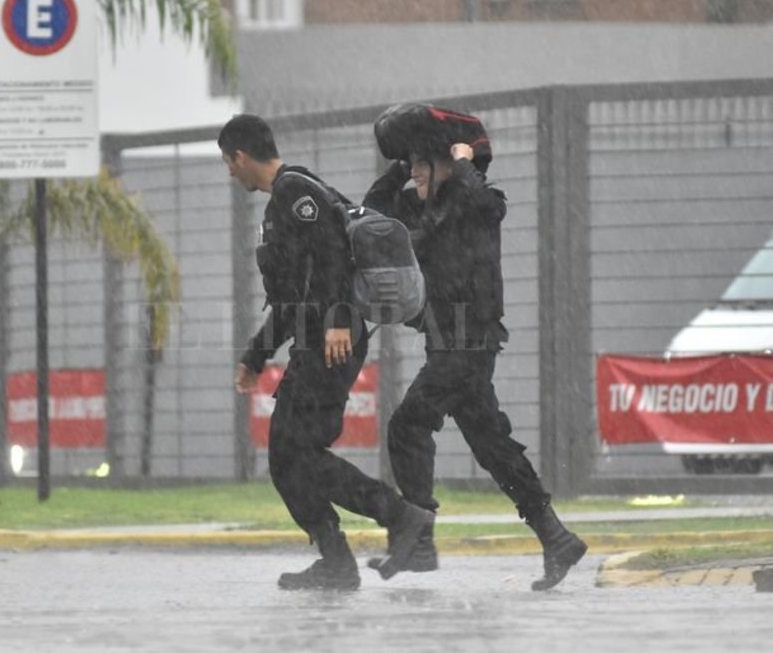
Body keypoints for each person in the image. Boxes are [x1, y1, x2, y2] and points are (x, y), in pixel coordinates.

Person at [362, 108, 587, 591]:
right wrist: (401, 167)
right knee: (492, 446)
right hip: (445, 342)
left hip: (469, 344)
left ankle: (420, 541)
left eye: (423, 163)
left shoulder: (475, 201)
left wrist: (462, 161)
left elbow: (486, 202)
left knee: (407, 425)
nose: (415, 172)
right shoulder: (420, 207)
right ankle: (556, 537)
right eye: (411, 164)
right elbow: (373, 215)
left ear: (448, 161)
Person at [219, 114, 433, 591]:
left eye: (228, 163)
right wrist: (256, 356)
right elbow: (290, 299)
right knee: (287, 458)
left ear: (241, 156)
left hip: (332, 342)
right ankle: (339, 557)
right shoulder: (282, 200)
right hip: (315, 341)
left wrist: (337, 318)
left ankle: (399, 516)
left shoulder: (295, 190)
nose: (229, 172)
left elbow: (334, 249)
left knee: (296, 453)